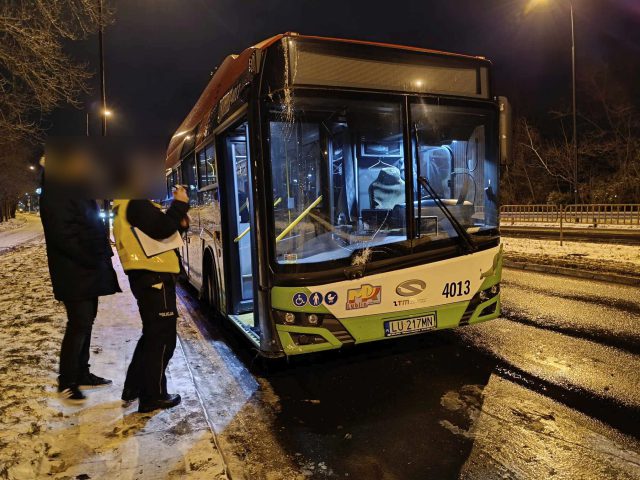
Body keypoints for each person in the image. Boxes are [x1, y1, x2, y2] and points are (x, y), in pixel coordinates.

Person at [40, 178, 121, 403]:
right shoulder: (56, 190)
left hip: (85, 270)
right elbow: (62, 235)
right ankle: (67, 382)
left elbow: (88, 224)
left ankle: (81, 373)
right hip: (74, 270)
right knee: (78, 323)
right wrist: (91, 257)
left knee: (86, 321)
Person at [112, 186, 189, 413]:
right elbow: (161, 228)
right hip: (154, 277)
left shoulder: (123, 203)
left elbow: (155, 233)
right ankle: (153, 395)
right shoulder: (134, 200)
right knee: (162, 340)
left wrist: (178, 225)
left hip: (146, 276)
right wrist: (180, 204)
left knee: (151, 336)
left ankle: (134, 388)